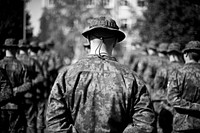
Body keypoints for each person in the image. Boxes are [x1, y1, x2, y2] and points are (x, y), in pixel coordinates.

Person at [46, 16, 155, 133]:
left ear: (88, 39)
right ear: (115, 42)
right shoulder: (131, 78)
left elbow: (54, 123)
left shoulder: (66, 75)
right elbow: (145, 125)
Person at [167, 41, 200, 133]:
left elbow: (172, 99)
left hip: (182, 125)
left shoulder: (177, 73)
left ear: (185, 54)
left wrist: (193, 106)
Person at [0, 38, 32, 133]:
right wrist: (15, 91)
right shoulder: (22, 66)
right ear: (16, 49)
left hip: (1, 106)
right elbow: (28, 84)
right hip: (17, 106)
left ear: (5, 49)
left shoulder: (0, 64)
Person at [152, 42, 184, 133]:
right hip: (182, 110)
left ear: (169, 54)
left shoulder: (163, 69)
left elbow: (157, 90)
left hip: (165, 107)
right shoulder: (185, 68)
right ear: (180, 54)